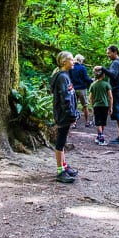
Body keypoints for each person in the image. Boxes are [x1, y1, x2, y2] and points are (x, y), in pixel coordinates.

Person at [50, 51, 79, 183]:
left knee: (63, 139)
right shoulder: (62, 77)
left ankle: (64, 166)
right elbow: (65, 98)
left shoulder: (64, 76)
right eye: (71, 60)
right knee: (61, 142)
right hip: (63, 114)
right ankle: (60, 170)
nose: (74, 62)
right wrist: (71, 114)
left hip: (66, 113)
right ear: (64, 62)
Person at [103, 45, 119, 144]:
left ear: (115, 52)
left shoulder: (116, 63)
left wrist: (103, 69)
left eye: (109, 53)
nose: (108, 55)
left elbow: (113, 75)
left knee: (118, 113)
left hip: (117, 90)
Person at [88, 66, 113, 145]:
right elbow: (110, 97)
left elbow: (90, 97)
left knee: (98, 122)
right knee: (102, 122)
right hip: (105, 105)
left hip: (96, 105)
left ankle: (99, 136)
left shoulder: (93, 85)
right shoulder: (106, 84)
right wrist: (111, 107)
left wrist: (92, 105)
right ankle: (101, 138)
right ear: (103, 75)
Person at [70, 54, 93, 127]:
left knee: (74, 106)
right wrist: (92, 80)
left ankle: (74, 123)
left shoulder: (71, 68)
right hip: (82, 89)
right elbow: (86, 78)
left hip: (73, 89)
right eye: (82, 60)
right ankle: (87, 122)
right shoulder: (82, 68)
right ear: (80, 60)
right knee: (85, 106)